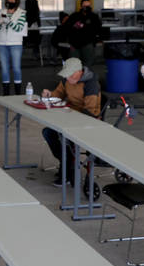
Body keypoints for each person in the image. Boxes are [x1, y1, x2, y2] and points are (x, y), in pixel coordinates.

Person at [41, 57, 101, 187]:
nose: (68, 78)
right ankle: (66, 162)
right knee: (48, 132)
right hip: (69, 117)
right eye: (67, 75)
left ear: (79, 72)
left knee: (63, 137)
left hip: (87, 121)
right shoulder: (66, 80)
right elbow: (58, 95)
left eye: (71, 75)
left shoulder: (91, 83)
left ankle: (67, 170)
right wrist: (49, 95)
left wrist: (70, 114)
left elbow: (90, 111)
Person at [0, 0, 28, 96]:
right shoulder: (1, 12)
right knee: (4, 68)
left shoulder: (22, 13)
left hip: (16, 43)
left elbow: (18, 28)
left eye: (12, 1)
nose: (10, 3)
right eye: (8, 1)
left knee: (16, 67)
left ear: (16, 2)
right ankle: (6, 93)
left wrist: (8, 21)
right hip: (2, 43)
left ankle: (18, 93)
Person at [61, 0, 102, 66]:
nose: (86, 7)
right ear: (81, 6)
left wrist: (98, 39)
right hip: (75, 43)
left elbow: (98, 29)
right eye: (84, 6)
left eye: (88, 6)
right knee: (74, 64)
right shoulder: (74, 15)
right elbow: (66, 28)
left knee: (88, 63)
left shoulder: (94, 16)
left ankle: (85, 75)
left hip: (88, 43)